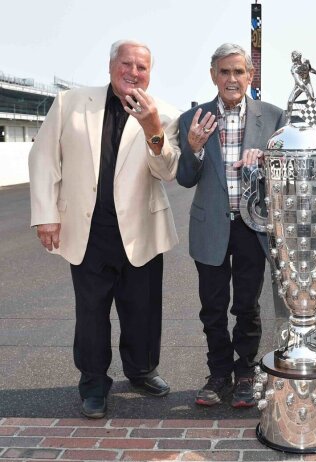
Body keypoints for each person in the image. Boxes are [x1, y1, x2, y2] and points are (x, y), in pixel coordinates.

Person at [29, 40, 180, 419]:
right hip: (88, 231)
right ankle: (94, 385)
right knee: (91, 314)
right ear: (111, 66)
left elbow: (167, 171)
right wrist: (46, 214)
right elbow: (44, 157)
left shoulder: (166, 114)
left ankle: (142, 371)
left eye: (141, 67)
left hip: (142, 229)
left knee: (142, 311)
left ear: (150, 72)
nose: (133, 72)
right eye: (126, 64)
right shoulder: (70, 104)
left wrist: (152, 127)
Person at [174, 43, 285, 409]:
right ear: (213, 76)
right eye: (225, 72)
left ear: (250, 76)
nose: (232, 79)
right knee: (213, 306)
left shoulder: (273, 118)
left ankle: (245, 372)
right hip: (210, 227)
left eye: (239, 72)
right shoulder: (193, 118)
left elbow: (286, 178)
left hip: (253, 226)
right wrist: (193, 148)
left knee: (247, 305)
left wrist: (267, 161)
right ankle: (218, 373)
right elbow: (186, 179)